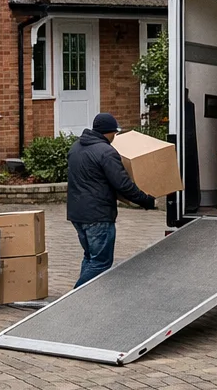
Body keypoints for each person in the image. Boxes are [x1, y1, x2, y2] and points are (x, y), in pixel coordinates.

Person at [66, 112, 156, 287]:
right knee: (101, 262)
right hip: (98, 216)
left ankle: (85, 298)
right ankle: (74, 297)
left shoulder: (75, 147)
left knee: (90, 257)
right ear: (108, 132)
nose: (116, 136)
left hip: (77, 214)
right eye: (115, 132)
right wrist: (146, 200)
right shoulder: (107, 152)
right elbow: (123, 184)